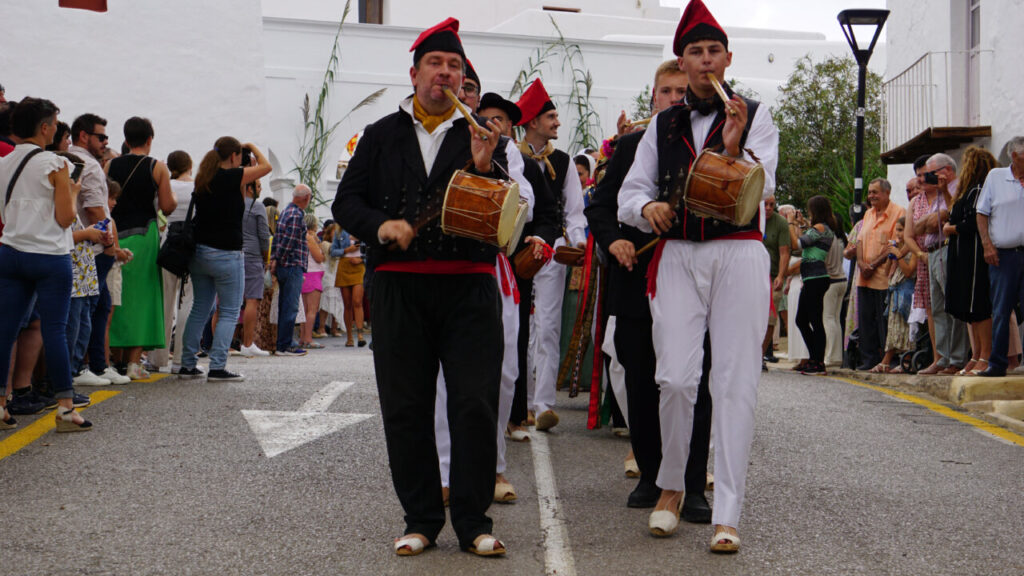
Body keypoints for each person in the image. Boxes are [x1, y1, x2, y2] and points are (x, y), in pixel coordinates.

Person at [333, 16, 509, 557]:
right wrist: (378, 226)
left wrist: (483, 167)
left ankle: (475, 522)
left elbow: (502, 213)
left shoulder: (482, 135)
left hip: (469, 288)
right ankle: (421, 519)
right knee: (406, 405)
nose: (446, 74)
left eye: (455, 66)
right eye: (436, 64)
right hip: (400, 287)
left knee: (475, 404)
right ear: (415, 74)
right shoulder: (381, 135)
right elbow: (346, 202)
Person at [617, 0, 778, 552]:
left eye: (713, 51)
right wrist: (647, 211)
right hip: (680, 254)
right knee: (677, 379)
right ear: (681, 63)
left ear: (727, 57)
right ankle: (670, 486)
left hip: (738, 252)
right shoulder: (661, 123)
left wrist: (735, 147)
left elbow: (763, 187)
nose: (705, 60)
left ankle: (727, 514)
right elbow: (629, 194)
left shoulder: (758, 114)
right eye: (695, 52)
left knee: (734, 384)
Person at [585, 58, 713, 520]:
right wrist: (615, 238)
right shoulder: (631, 147)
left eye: (684, 91)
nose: (677, 99)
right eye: (668, 92)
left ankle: (692, 486)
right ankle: (651, 473)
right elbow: (600, 208)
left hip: (694, 283)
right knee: (641, 381)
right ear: (653, 98)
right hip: (636, 278)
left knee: (692, 383)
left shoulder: (710, 146)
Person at [0, 96, 91, 432]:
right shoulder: (55, 164)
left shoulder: (4, 163)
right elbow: (66, 217)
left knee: (5, 330)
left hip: (10, 252)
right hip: (49, 256)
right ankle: (66, 409)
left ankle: (0, 406)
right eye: (54, 123)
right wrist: (71, 189)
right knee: (54, 330)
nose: (56, 128)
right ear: (44, 127)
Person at [516, 78, 588, 432]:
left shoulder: (564, 161)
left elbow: (574, 211)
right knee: (518, 327)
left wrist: (575, 244)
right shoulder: (510, 156)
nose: (557, 123)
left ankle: (542, 404)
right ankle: (519, 402)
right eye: (551, 117)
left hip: (552, 252)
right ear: (532, 123)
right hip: (518, 251)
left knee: (547, 326)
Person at [178, 137, 271, 380]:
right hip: (226, 253)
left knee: (201, 307)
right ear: (234, 156)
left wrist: (243, 157)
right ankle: (217, 366)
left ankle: (187, 364)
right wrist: (252, 146)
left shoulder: (203, 179)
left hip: (199, 253)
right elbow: (267, 167)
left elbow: (237, 204)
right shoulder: (232, 176)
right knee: (229, 310)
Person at [106, 116, 176, 380]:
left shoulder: (109, 164)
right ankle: (135, 362)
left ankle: (112, 359)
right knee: (142, 297)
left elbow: (104, 198)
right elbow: (167, 207)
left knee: (116, 297)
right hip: (144, 235)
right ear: (149, 139)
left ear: (125, 139)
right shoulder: (156, 167)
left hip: (115, 234)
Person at [914, 153, 970, 374]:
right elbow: (920, 226)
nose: (926, 178)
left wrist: (935, 218)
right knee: (938, 307)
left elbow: (951, 213)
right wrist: (933, 219)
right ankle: (942, 358)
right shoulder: (936, 195)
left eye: (931, 173)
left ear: (946, 171)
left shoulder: (956, 188)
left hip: (947, 248)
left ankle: (956, 359)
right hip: (932, 251)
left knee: (952, 305)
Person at [977, 136, 1024, 377]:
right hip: (1003, 255)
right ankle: (997, 364)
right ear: (1013, 157)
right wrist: (987, 245)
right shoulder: (996, 177)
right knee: (1001, 309)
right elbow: (982, 213)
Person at [149, 150, 197, 371]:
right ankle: (181, 359)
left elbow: (159, 211)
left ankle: (156, 359)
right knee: (187, 302)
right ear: (190, 165)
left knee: (164, 303)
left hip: (168, 245)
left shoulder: (167, 186)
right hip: (191, 248)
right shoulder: (198, 186)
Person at [855, 178, 905, 370]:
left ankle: (886, 361)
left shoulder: (898, 212)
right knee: (866, 320)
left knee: (884, 321)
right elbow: (859, 241)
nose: (871, 196)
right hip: (864, 277)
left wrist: (873, 265)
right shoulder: (868, 213)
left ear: (887, 193)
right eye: (869, 192)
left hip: (884, 277)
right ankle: (867, 360)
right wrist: (861, 264)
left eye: (875, 192)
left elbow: (894, 244)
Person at [788, 196, 841, 375]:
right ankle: (814, 358)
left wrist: (790, 224)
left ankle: (818, 361)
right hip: (813, 278)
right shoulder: (823, 228)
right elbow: (809, 239)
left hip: (816, 278)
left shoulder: (820, 228)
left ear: (815, 210)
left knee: (813, 320)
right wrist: (802, 224)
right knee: (803, 319)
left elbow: (798, 244)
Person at [270, 185, 312, 356]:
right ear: (306, 198)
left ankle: (282, 343)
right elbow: (289, 241)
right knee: (290, 306)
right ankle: (286, 345)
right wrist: (280, 258)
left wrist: (275, 259)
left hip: (283, 264)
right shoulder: (296, 214)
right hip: (292, 264)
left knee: (284, 305)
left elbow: (278, 239)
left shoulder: (286, 211)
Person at [872, 217, 917, 372]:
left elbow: (909, 271)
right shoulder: (899, 247)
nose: (898, 233)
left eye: (901, 229)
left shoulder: (912, 248)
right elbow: (886, 272)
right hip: (895, 290)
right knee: (894, 328)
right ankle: (887, 360)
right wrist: (891, 257)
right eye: (897, 229)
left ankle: (907, 359)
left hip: (906, 290)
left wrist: (899, 256)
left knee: (905, 327)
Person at [240, 177, 271, 356]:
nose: (261, 189)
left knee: (225, 304)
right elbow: (264, 236)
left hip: (233, 254)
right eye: (258, 185)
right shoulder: (257, 206)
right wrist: (265, 258)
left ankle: (223, 345)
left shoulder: (234, 204)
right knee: (252, 300)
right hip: (252, 256)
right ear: (250, 189)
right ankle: (248, 343)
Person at [762, 195, 789, 364]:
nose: (768, 208)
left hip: (772, 276)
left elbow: (784, 252)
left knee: (770, 318)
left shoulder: (780, 223)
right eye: (765, 204)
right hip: (753, 275)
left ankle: (760, 355)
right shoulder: (750, 217)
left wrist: (780, 275)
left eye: (772, 204)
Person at [331, 228, 366, 347]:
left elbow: (371, 250)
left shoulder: (364, 228)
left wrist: (361, 259)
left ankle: (360, 334)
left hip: (359, 267)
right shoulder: (339, 231)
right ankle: (349, 337)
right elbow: (333, 251)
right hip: (344, 265)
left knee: (357, 301)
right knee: (347, 304)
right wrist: (347, 250)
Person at [299, 213, 325, 349]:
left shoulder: (302, 236)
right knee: (312, 310)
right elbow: (319, 258)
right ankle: (309, 339)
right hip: (313, 274)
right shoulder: (310, 238)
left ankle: (303, 338)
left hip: (304, 274)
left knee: (304, 310)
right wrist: (319, 245)